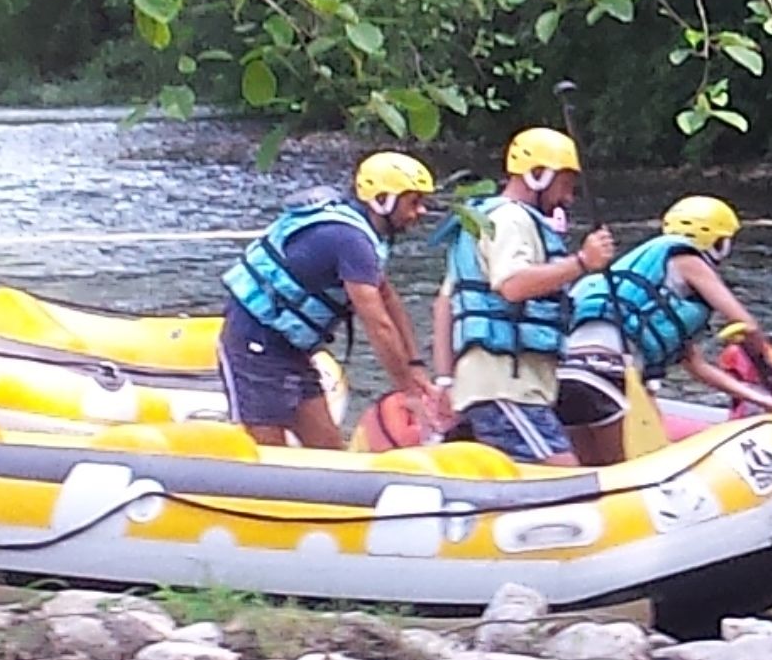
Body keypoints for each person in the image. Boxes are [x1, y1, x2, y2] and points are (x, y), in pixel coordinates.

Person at [219, 152, 443, 450]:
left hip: (293, 351)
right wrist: (407, 392)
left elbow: (387, 298)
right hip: (254, 344)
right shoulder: (350, 240)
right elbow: (378, 326)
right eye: (413, 201)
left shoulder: (368, 237)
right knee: (269, 453)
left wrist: (415, 365)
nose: (422, 211)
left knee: (329, 450)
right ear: (382, 200)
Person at [563, 196, 772, 464]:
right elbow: (747, 326)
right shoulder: (688, 260)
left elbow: (696, 366)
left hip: (568, 371)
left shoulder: (651, 269)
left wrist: (764, 400)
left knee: (590, 470)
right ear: (718, 242)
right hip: (605, 373)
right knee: (614, 473)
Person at [432, 127, 614, 464]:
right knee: (565, 478)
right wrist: (583, 262)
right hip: (507, 389)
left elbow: (444, 304)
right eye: (566, 185)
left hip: (493, 387)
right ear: (539, 175)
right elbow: (513, 285)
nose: (569, 198)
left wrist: (445, 379)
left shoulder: (486, 219)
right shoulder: (511, 219)